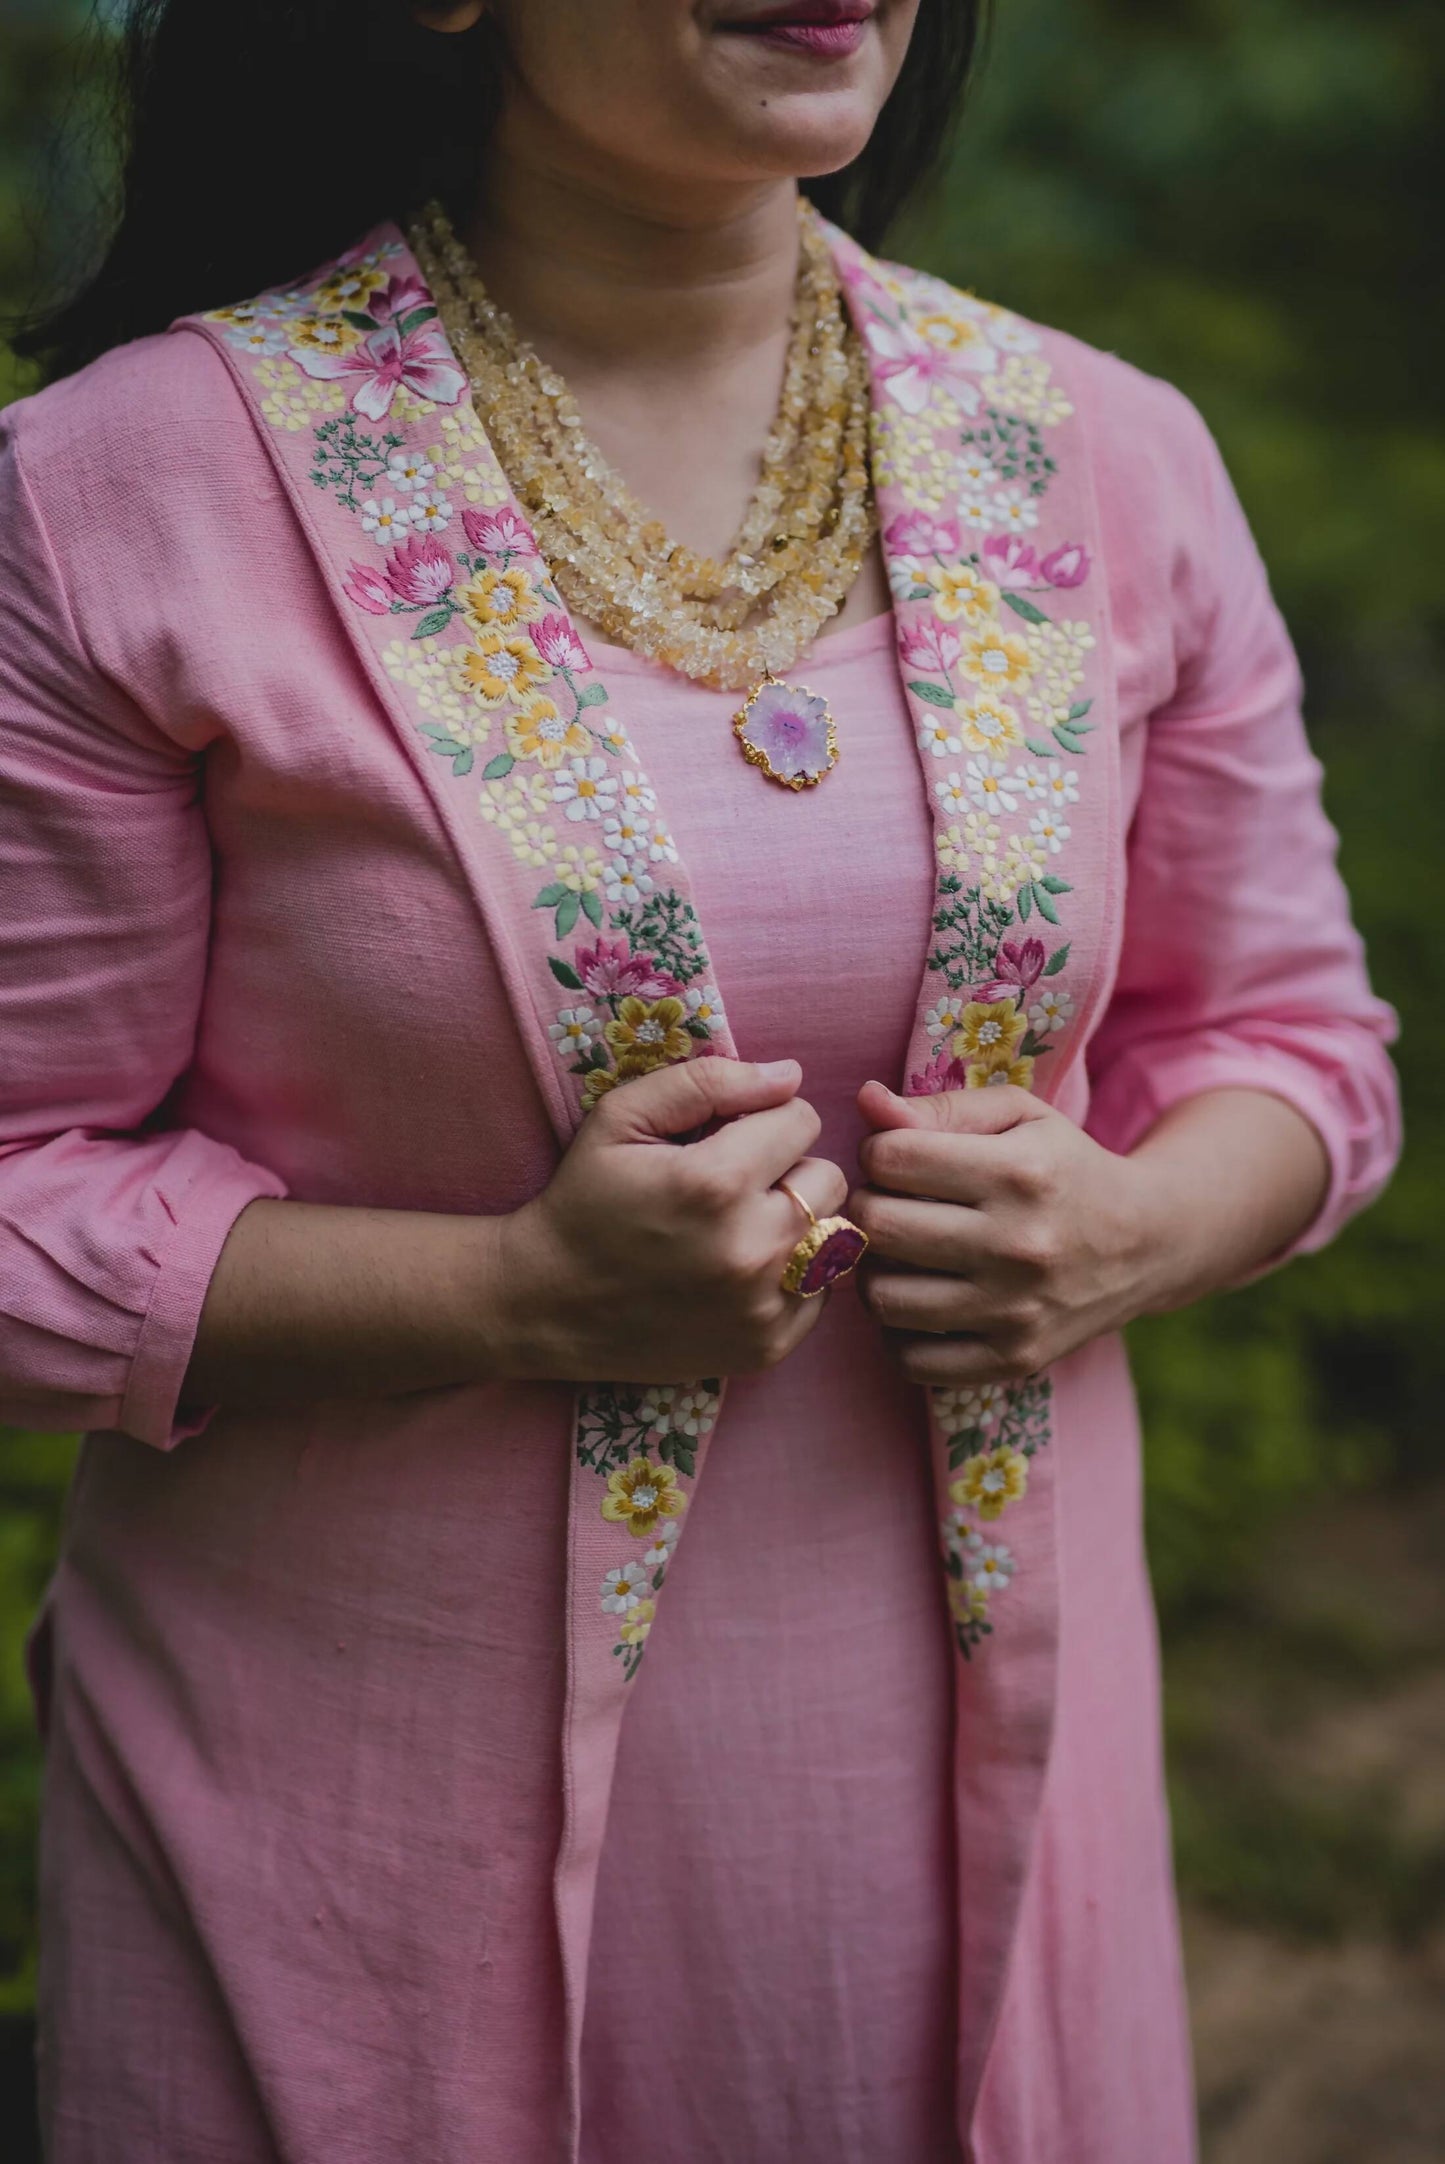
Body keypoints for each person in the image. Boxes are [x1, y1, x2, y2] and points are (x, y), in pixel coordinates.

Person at [0, 3, 1400, 2159]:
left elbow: (1299, 1044)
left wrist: (1134, 1221)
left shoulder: (1107, 454)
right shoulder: (123, 494)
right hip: (335, 1842)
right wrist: (512, 1298)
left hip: (970, 1824)